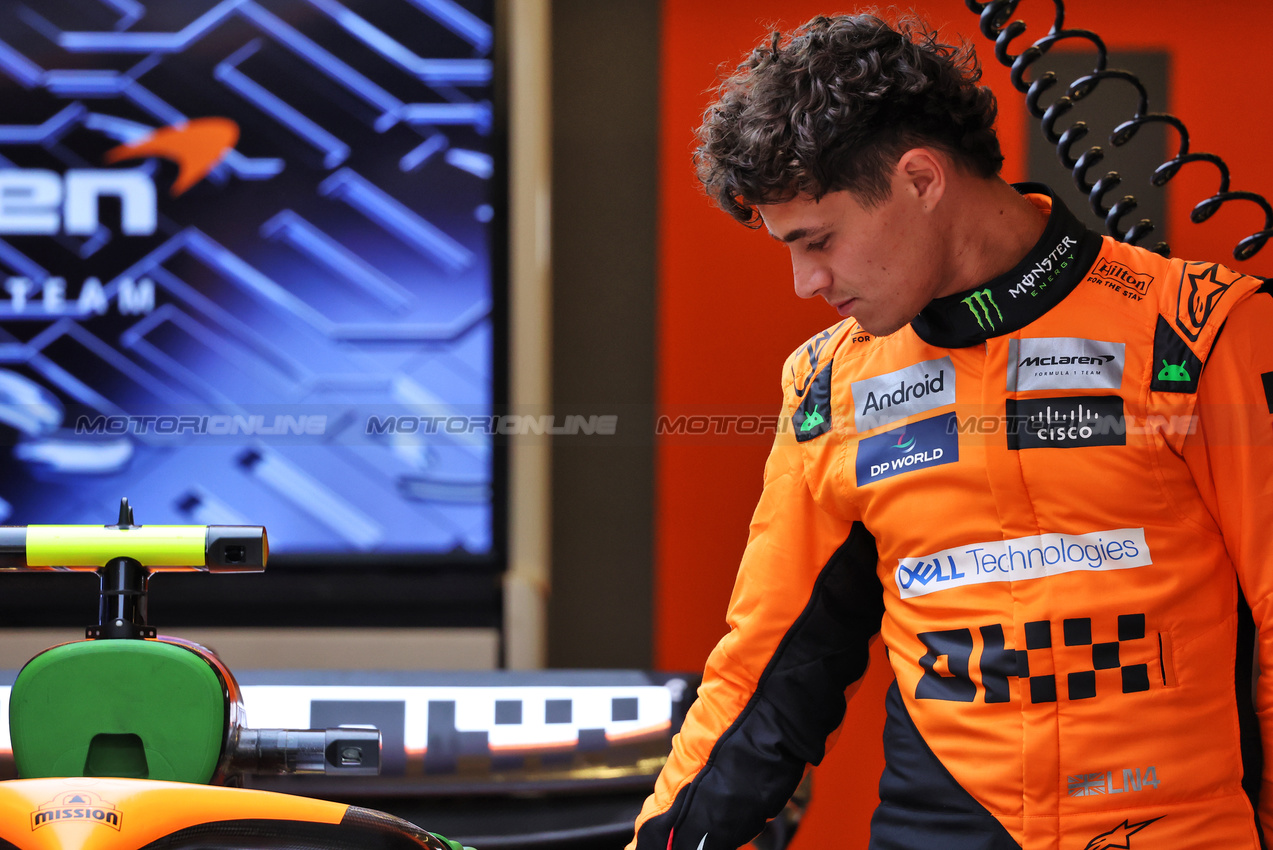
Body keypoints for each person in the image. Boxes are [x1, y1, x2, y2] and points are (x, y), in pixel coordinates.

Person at [628, 12, 1273, 850]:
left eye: (818, 241)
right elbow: (768, 671)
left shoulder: (1198, 329)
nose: (804, 282)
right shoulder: (828, 384)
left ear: (921, 179)